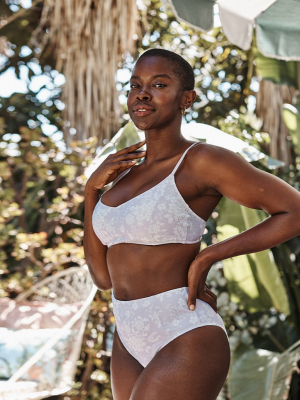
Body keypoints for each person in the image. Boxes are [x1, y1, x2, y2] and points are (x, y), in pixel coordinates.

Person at [84, 49, 300, 400]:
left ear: (187, 98)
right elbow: (102, 277)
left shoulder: (201, 161)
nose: (142, 93)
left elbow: (294, 210)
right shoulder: (120, 178)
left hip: (183, 330)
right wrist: (91, 191)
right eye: (135, 84)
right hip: (126, 333)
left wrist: (207, 256)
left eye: (159, 84)